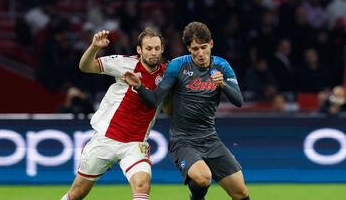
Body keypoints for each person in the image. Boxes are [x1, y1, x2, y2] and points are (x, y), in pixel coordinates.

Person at [123, 22, 250, 200]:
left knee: (241, 192)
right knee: (203, 178)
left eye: (204, 47)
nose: (200, 53)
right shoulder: (178, 66)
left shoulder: (222, 66)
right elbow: (154, 100)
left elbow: (238, 101)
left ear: (211, 44)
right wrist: (139, 87)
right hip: (183, 141)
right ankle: (195, 196)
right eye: (195, 48)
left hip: (210, 138)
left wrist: (223, 85)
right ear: (189, 48)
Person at [60, 27, 166, 200]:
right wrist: (94, 47)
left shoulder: (168, 74)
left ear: (162, 49)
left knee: (142, 185)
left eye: (156, 48)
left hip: (135, 143)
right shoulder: (125, 63)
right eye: (148, 48)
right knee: (77, 194)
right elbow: (85, 67)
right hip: (106, 138)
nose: (153, 52)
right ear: (139, 50)